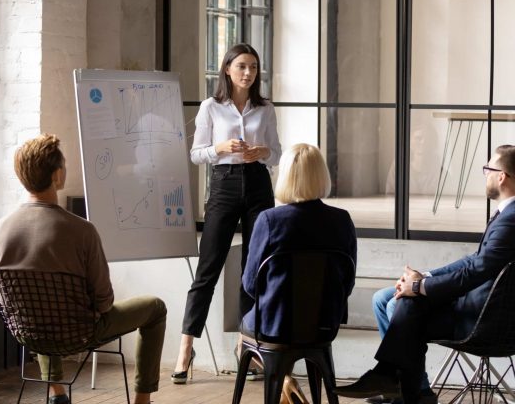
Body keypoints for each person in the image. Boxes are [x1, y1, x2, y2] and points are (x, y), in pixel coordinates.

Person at [0, 134, 167, 404]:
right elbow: (104, 301)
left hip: (28, 332)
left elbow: (6, 299)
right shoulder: (82, 230)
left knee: (42, 306)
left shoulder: (1, 228)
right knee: (155, 308)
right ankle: (142, 401)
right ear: (58, 175)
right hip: (80, 332)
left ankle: (57, 394)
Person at [335, 145, 515, 404]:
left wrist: (420, 287)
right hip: (476, 301)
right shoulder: (506, 214)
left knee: (403, 303)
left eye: (488, 169)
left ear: (502, 176)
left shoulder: (511, 220)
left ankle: (407, 388)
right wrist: (425, 277)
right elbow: (475, 261)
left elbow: (476, 271)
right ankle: (401, 384)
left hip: (482, 317)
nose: (484, 174)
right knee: (382, 298)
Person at [172, 43, 282, 383]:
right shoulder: (211, 107)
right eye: (241, 66)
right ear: (227, 69)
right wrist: (219, 148)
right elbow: (195, 154)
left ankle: (245, 347)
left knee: (254, 268)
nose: (248, 73)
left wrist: (263, 151)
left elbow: (276, 153)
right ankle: (186, 347)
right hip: (223, 184)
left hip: (258, 186)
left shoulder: (265, 108)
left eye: (253, 67)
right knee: (208, 269)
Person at [241, 143, 357, 403]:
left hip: (276, 325)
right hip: (325, 324)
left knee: (244, 337)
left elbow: (250, 285)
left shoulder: (269, 220)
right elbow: (347, 282)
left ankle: (284, 382)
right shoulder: (342, 220)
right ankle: (287, 386)